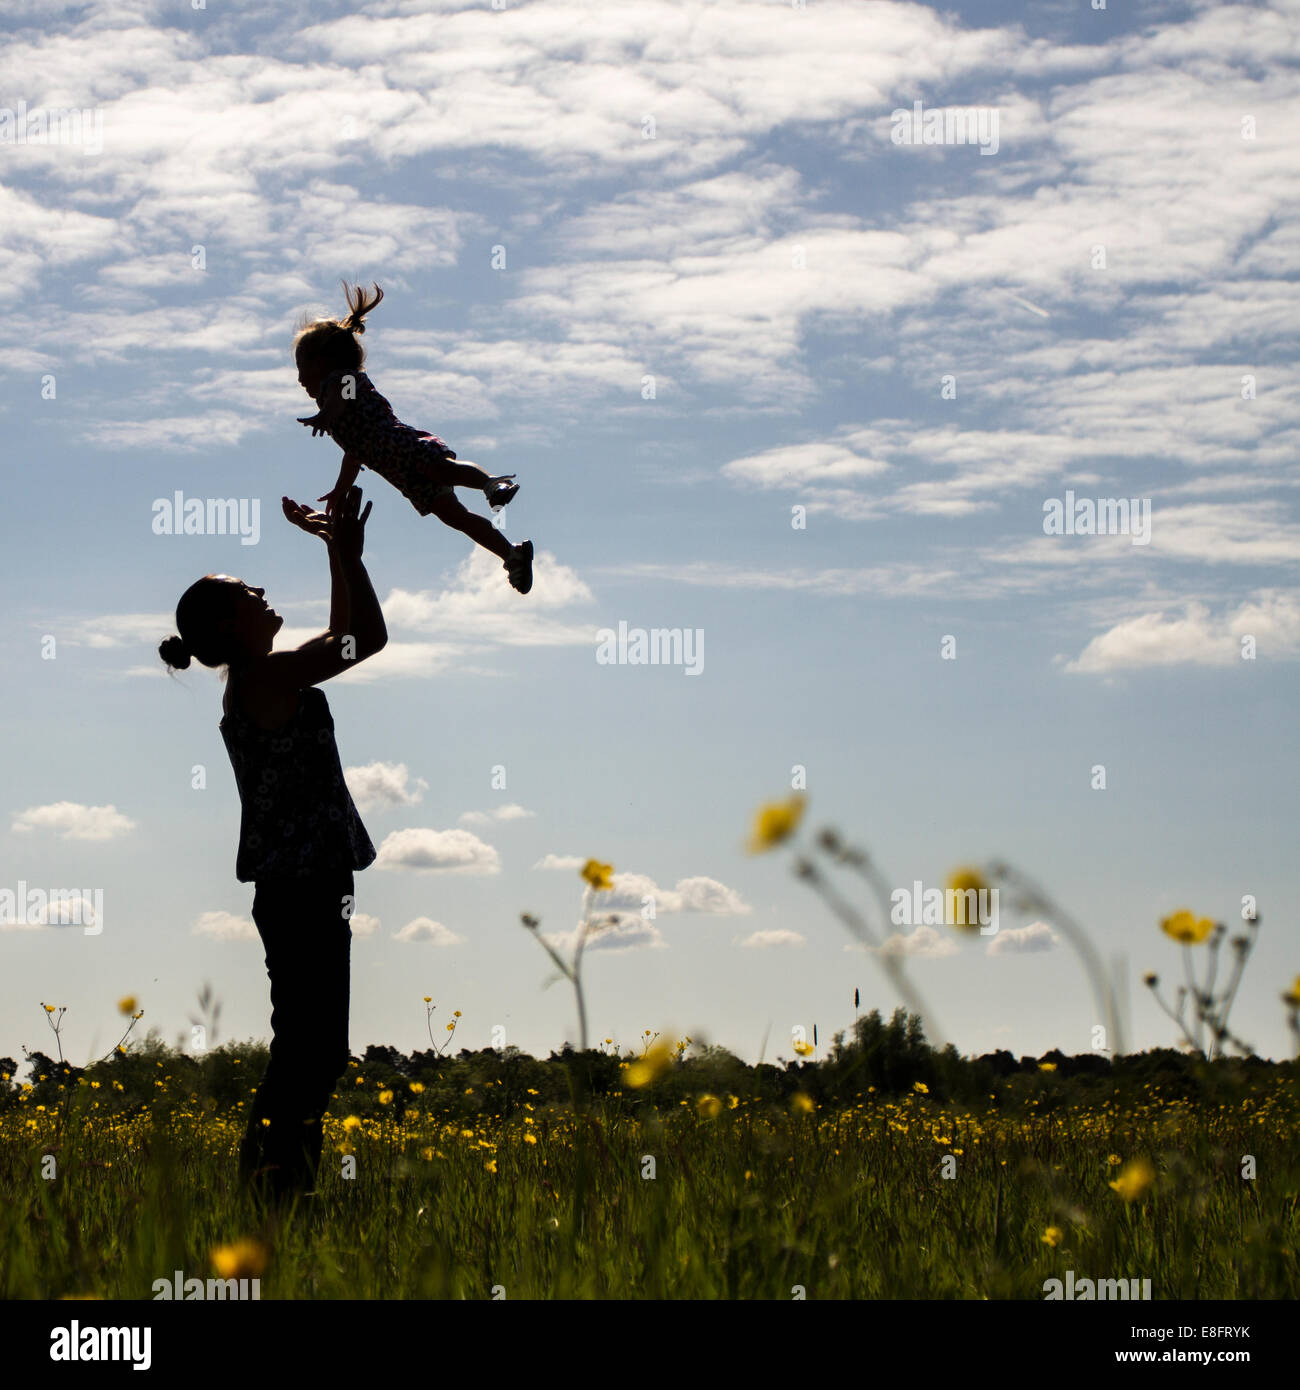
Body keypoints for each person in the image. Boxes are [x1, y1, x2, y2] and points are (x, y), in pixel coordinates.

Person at [158, 487, 385, 1205]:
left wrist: (339, 555)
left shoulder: (263, 674)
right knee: (310, 1053)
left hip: (308, 885)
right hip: (300, 888)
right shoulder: (261, 678)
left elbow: (344, 635)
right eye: (246, 591)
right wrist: (344, 553)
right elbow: (361, 641)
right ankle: (275, 1194)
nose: (260, 590)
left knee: (314, 1051)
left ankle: (284, 1191)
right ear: (229, 624)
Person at [295, 280, 534, 594]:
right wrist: (340, 488)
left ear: (323, 363)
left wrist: (326, 414)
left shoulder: (342, 380)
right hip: (402, 474)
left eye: (302, 369)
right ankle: (511, 554)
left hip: (403, 447)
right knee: (456, 517)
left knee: (444, 470)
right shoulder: (340, 414)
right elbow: (354, 453)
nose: (300, 379)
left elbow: (343, 391)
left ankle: (491, 482)